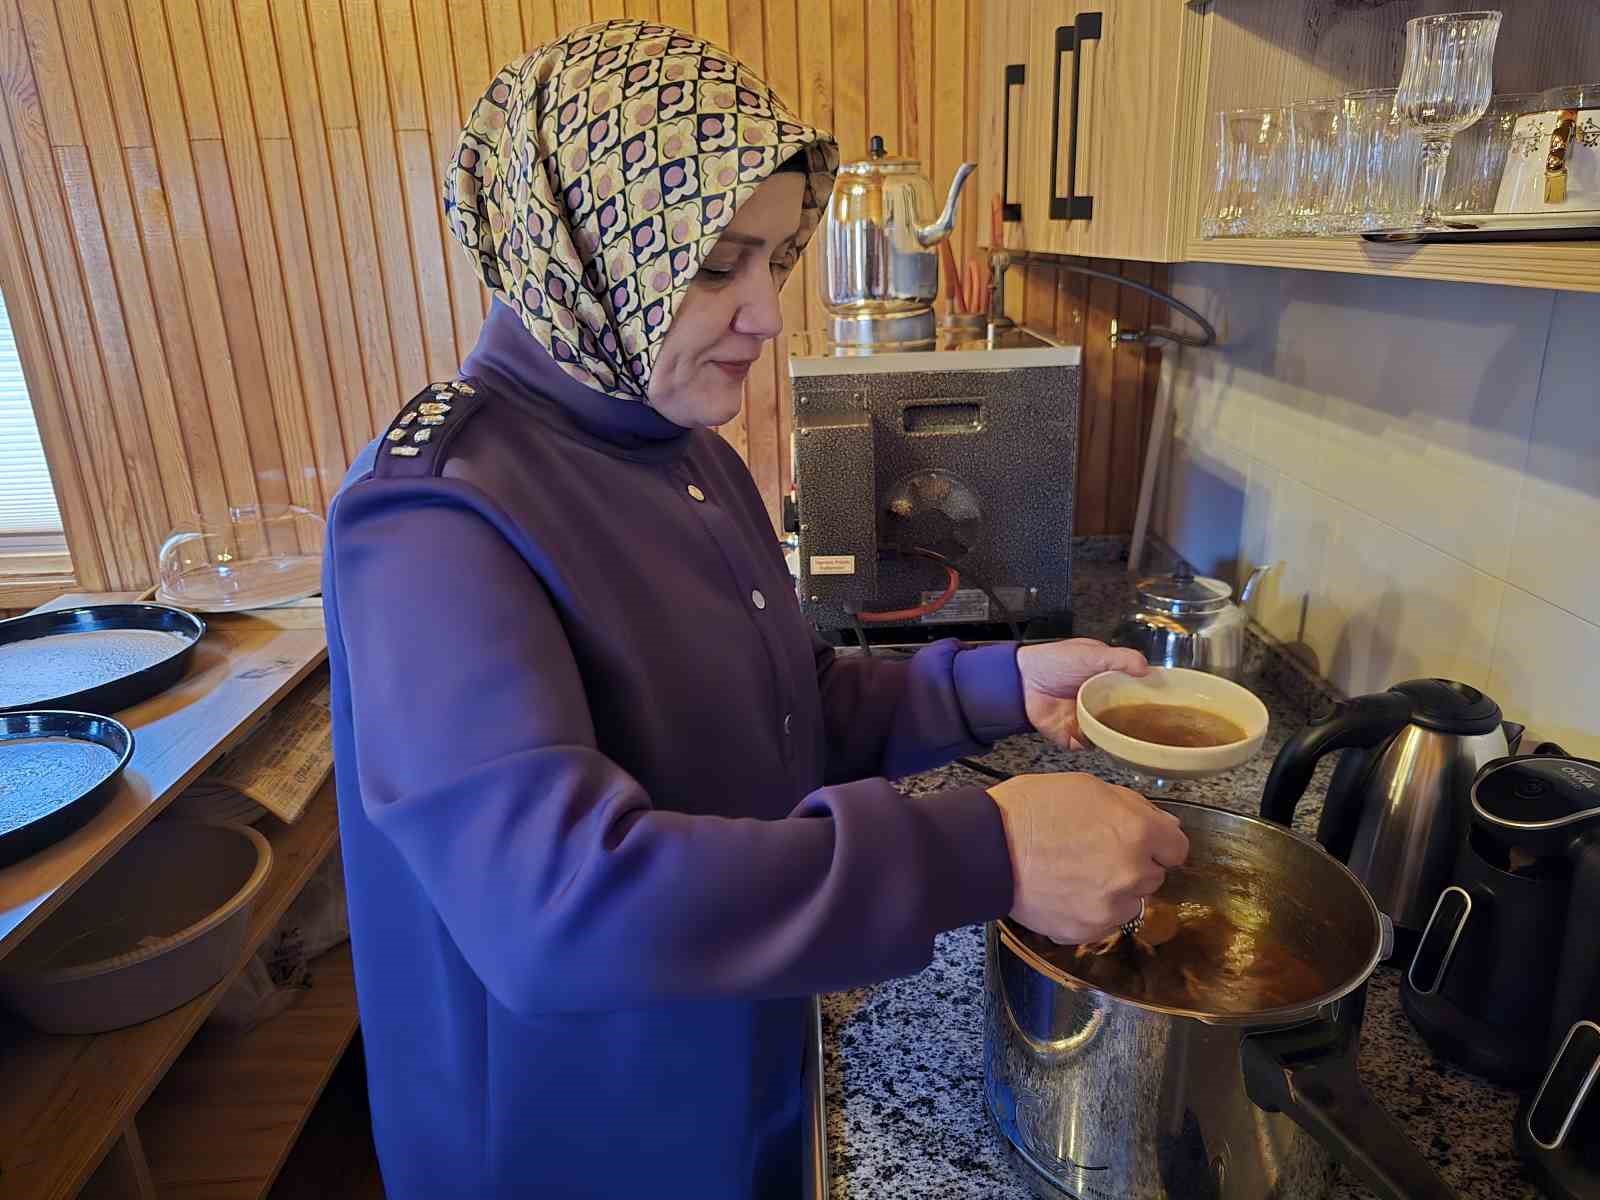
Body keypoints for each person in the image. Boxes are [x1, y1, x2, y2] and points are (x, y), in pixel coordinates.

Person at [322, 19, 1188, 1200]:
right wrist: (982, 848)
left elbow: (783, 705)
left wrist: (994, 682)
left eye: (775, 259)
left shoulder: (682, 448)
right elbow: (556, 909)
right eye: (715, 263)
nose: (767, 313)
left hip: (733, 1063)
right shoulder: (432, 519)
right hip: (573, 1141)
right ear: (586, 251)